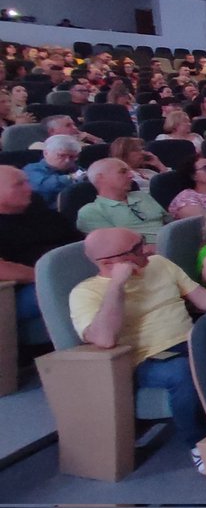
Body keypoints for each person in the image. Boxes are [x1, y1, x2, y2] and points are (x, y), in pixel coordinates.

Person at [71, 227, 206, 472]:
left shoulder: (160, 263)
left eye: (141, 242)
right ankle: (200, 445)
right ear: (108, 262)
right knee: (183, 370)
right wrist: (117, 285)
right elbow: (104, 339)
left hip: (191, 341)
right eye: (136, 249)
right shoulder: (85, 292)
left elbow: (203, 299)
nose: (147, 250)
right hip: (148, 358)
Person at [0, 166, 81, 352]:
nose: (29, 189)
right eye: (19, 185)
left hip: (70, 275)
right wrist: (51, 277)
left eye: (27, 182)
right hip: (24, 290)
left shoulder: (46, 216)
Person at [76, 158, 169, 245]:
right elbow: (115, 247)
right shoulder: (91, 211)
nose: (131, 175)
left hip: (170, 243)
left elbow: (170, 222)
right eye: (123, 172)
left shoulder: (142, 196)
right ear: (101, 178)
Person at [23, 134, 83, 208]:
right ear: (46, 153)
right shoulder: (32, 169)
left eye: (72, 157)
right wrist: (72, 177)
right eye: (61, 155)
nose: (67, 160)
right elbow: (47, 186)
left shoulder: (75, 168)